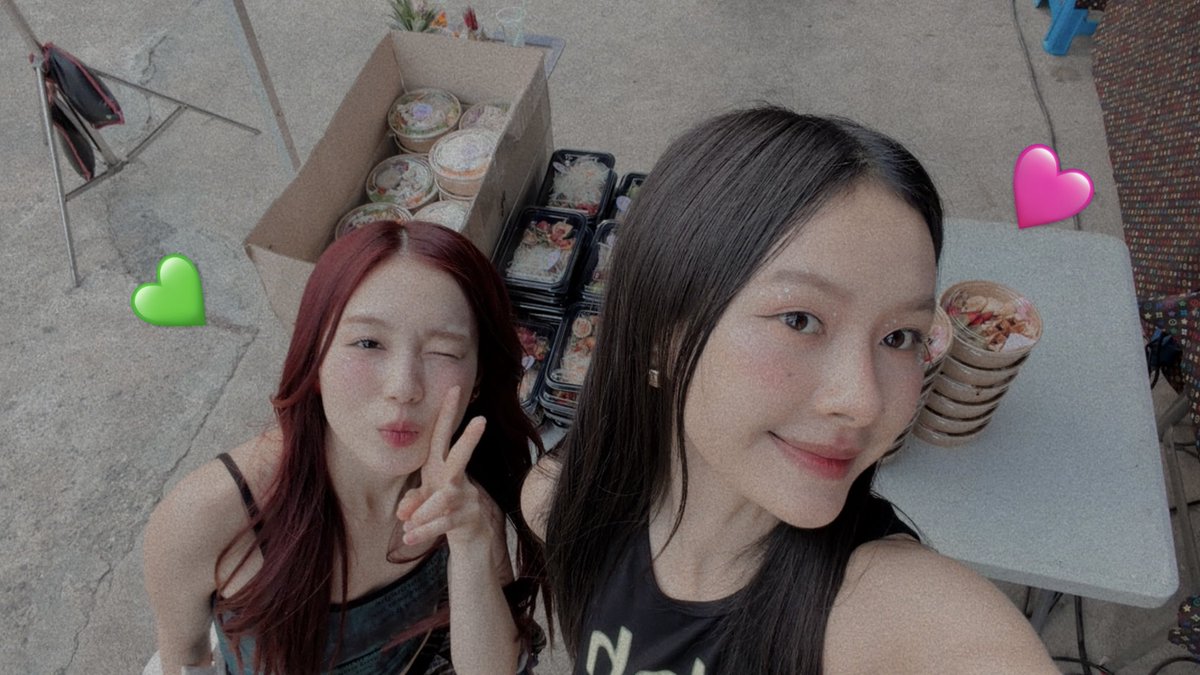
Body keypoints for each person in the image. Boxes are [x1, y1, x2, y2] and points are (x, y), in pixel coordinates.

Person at [521, 107, 1060, 674]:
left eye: (900, 337)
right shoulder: (561, 504)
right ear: (659, 338)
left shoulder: (890, 619)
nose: (863, 403)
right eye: (800, 320)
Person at [144, 220, 545, 675]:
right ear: (314, 360)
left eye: (444, 351)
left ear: (476, 382)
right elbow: (185, 659)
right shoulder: (208, 517)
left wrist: (471, 546)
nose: (403, 387)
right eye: (368, 343)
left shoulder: (468, 506)